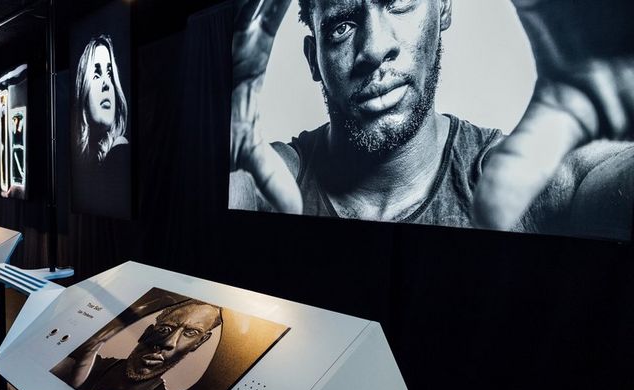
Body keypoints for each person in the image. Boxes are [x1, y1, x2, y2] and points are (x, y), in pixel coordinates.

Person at [230, 0, 634, 239]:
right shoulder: (268, 183)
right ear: (312, 59)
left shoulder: (530, 185)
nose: (375, 48)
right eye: (342, 25)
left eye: (399, 3)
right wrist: (206, 119)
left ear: (443, 9)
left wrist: (617, 90)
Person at [51, 300, 222, 390]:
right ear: (147, 332)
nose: (168, 342)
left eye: (190, 333)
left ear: (199, 343)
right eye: (166, 328)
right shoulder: (79, 365)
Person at [71, 34, 132, 217]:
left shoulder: (119, 151)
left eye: (110, 73)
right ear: (83, 89)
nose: (107, 83)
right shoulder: (86, 160)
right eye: (96, 74)